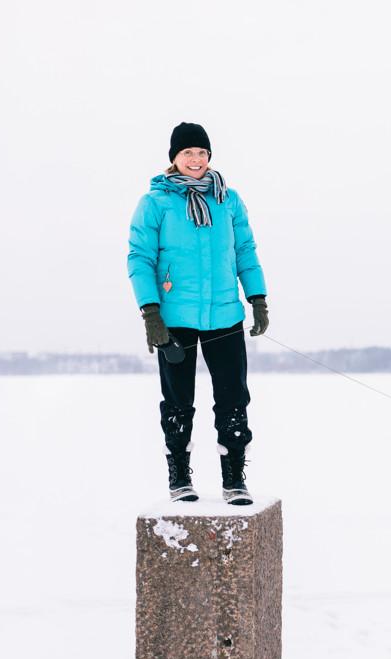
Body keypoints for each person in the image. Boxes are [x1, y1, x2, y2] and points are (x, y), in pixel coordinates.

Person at [127, 122, 269, 505]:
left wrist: (257, 298)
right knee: (177, 401)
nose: (196, 160)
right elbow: (139, 259)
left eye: (202, 153)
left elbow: (245, 251)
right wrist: (150, 312)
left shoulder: (229, 200)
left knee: (233, 398)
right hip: (175, 318)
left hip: (225, 314)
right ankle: (179, 477)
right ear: (174, 158)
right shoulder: (155, 203)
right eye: (188, 153)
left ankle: (234, 476)